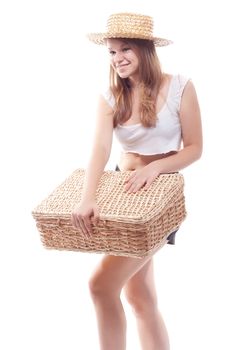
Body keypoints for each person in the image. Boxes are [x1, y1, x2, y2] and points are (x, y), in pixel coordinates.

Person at [71, 12, 202, 350]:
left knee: (101, 286)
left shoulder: (180, 87)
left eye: (125, 49)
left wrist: (154, 168)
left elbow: (195, 149)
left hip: (159, 199)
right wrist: (88, 198)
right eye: (112, 52)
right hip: (123, 192)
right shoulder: (110, 95)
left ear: (145, 49)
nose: (118, 59)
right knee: (139, 295)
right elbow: (100, 149)